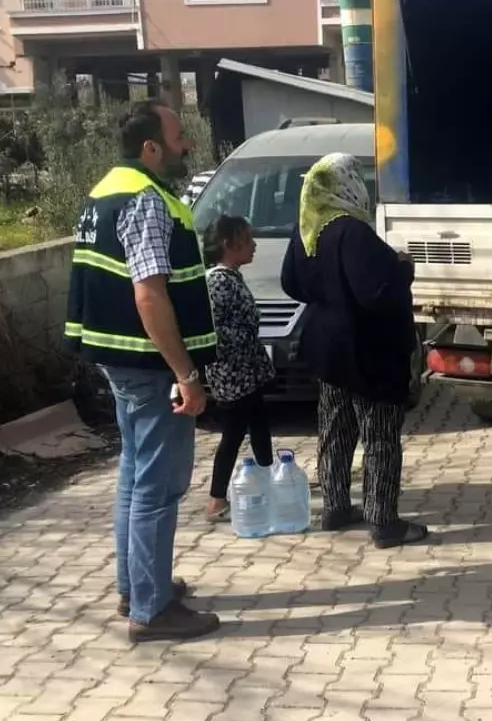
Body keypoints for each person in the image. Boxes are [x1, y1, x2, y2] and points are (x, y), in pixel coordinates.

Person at [64, 100, 220, 643]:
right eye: (179, 137)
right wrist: (186, 373)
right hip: (152, 367)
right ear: (151, 146)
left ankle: (138, 587)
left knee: (134, 478)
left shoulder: (103, 192)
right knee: (159, 485)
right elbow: (150, 295)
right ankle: (151, 612)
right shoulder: (147, 201)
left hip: (117, 359)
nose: (187, 146)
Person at [280, 152, 427, 549]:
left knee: (335, 429)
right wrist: (402, 267)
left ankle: (335, 506)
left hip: (328, 350)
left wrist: (328, 293)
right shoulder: (353, 232)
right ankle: (384, 522)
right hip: (369, 351)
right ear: (348, 184)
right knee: (379, 435)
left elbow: (291, 283)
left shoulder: (307, 229)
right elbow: (376, 293)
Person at [201, 215, 276, 521]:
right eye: (247, 239)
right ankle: (216, 499)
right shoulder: (218, 281)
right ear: (228, 245)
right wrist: (247, 340)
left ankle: (269, 477)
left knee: (259, 424)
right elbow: (217, 331)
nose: (254, 245)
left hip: (246, 373)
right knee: (233, 433)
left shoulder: (231, 276)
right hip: (231, 375)